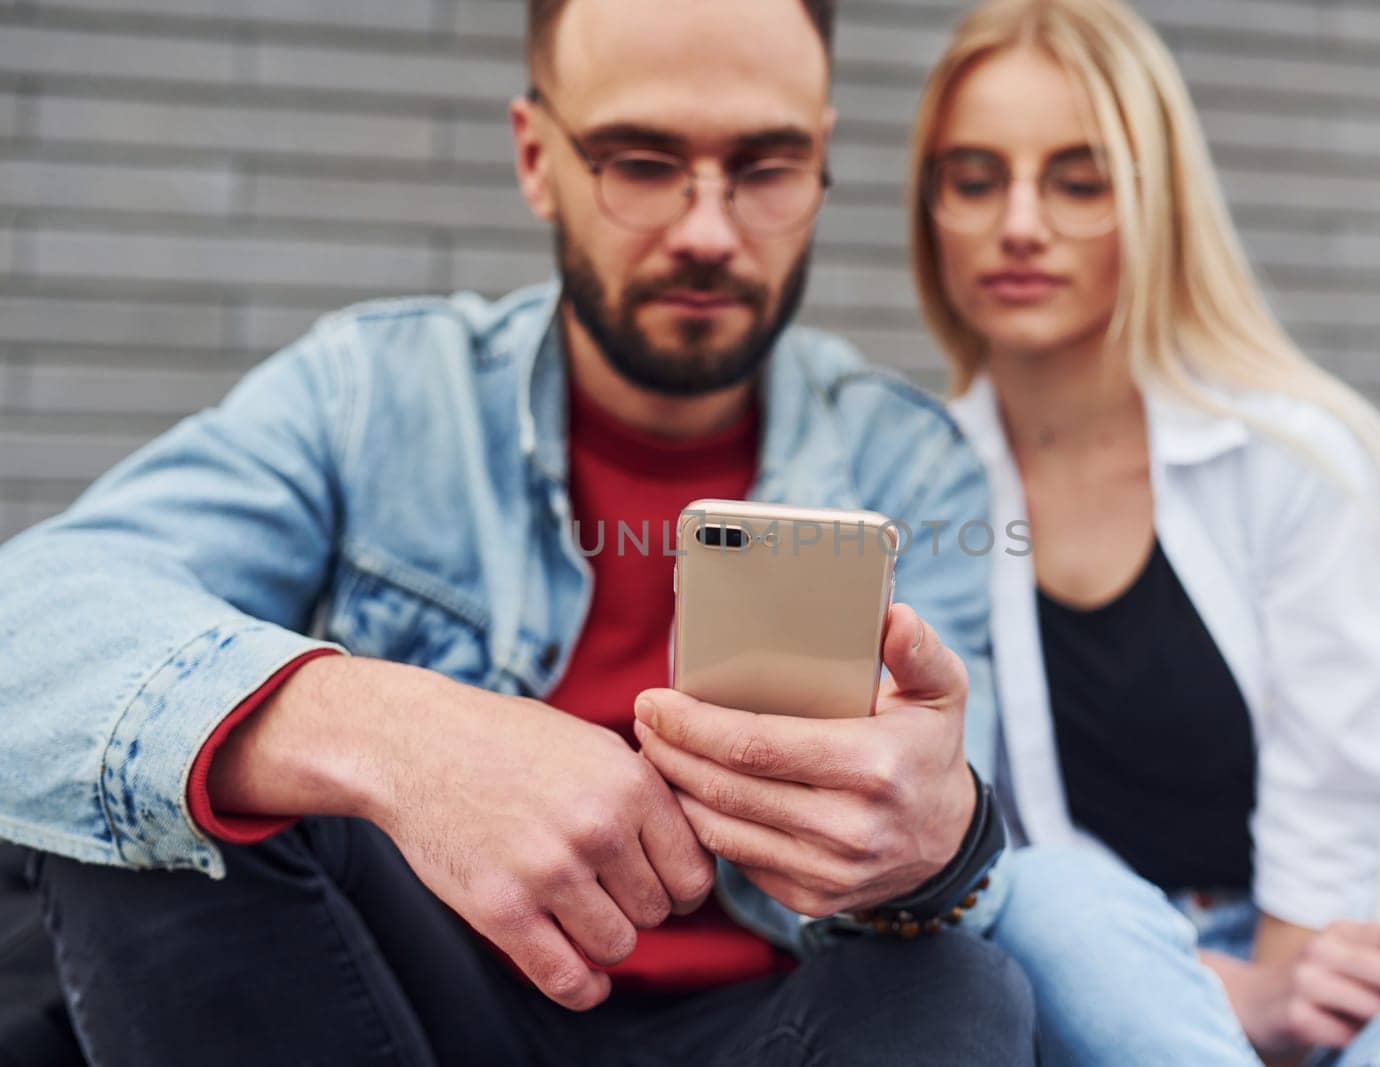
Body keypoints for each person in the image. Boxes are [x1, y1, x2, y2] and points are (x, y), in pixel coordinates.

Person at [0, 1, 1036, 1063]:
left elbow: (963, 878)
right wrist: (395, 732)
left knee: (959, 985)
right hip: (403, 1003)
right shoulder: (376, 391)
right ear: (537, 157)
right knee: (164, 790)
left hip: (764, 1022)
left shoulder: (907, 460)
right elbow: (28, 626)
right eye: (642, 161)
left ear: (820, 164)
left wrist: (938, 841)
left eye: (765, 168)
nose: (708, 231)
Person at [908, 0, 1380, 1064]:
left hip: (1327, 957)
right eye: (975, 178)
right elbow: (960, 842)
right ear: (930, 209)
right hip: (1113, 971)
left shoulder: (1295, 458)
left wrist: (1278, 989)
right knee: (1047, 893)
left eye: (1079, 181)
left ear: (1155, 202)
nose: (1020, 222)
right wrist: (1214, 988)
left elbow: (1330, 814)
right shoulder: (914, 478)